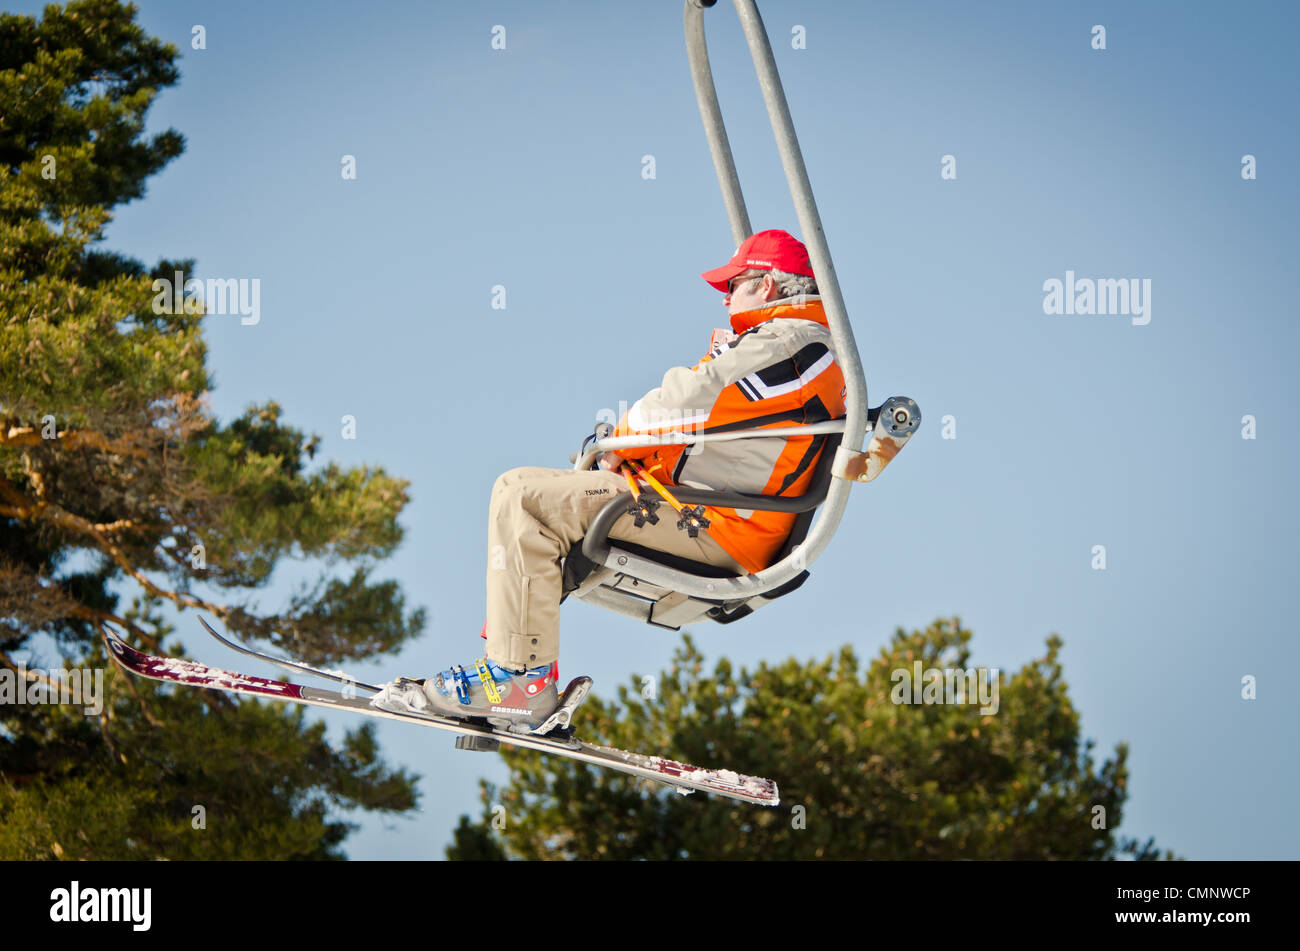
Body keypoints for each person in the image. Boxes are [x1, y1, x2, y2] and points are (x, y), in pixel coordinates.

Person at [372, 229, 847, 730]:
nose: (725, 298)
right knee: (521, 488)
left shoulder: (791, 343)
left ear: (767, 286)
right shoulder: (787, 343)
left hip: (719, 525)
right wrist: (627, 453)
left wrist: (620, 444)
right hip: (704, 510)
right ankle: (513, 670)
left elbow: (692, 397)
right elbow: (726, 425)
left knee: (528, 500)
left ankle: (518, 680)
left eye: (733, 285)